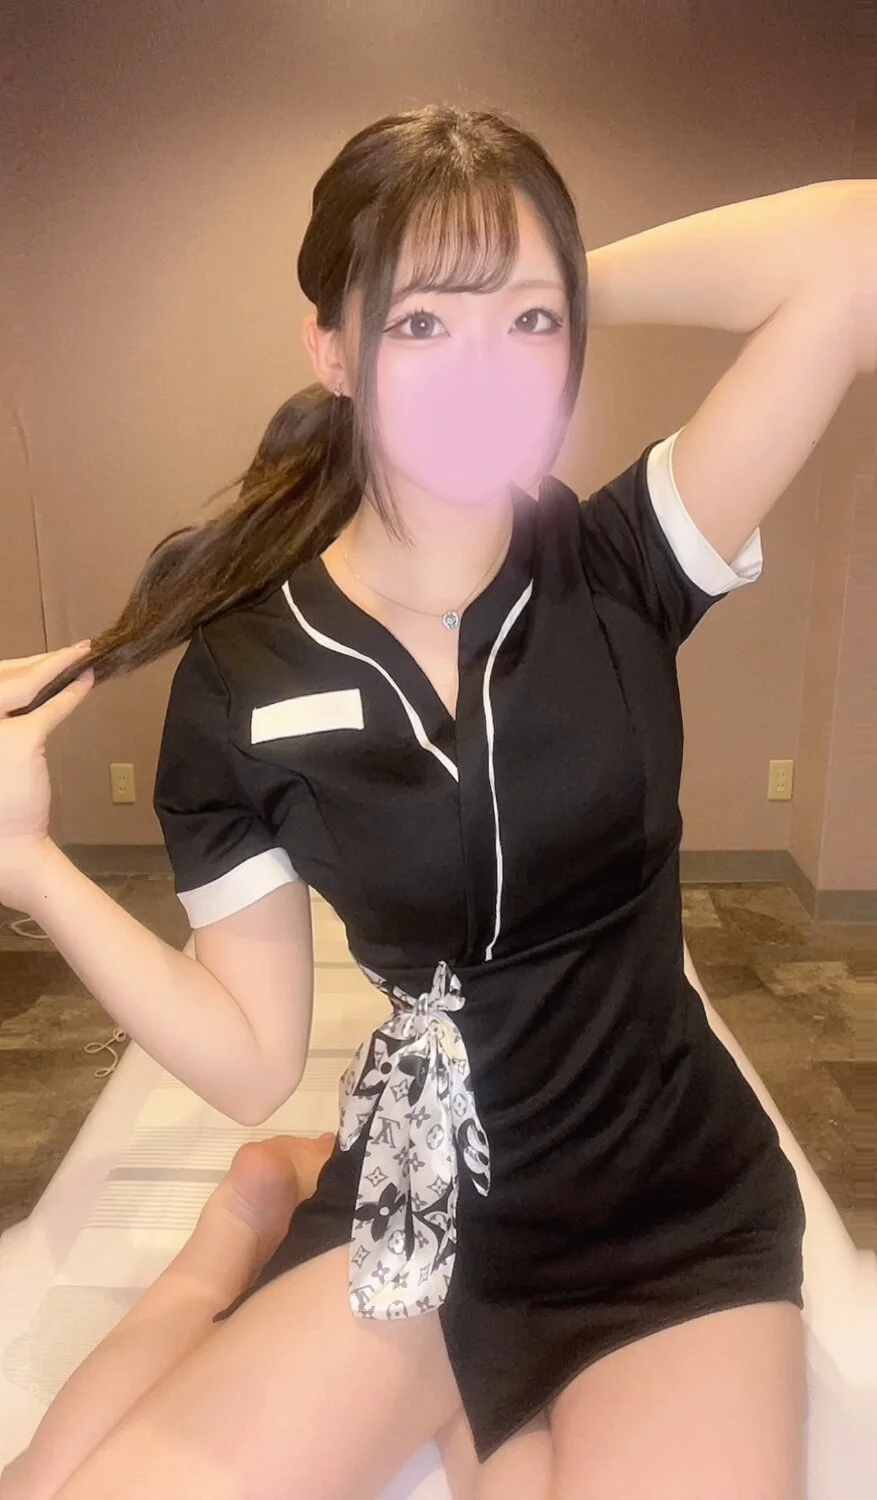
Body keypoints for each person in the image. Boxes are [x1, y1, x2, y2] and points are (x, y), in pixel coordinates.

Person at [0, 103, 875, 1500]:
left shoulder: (625, 562)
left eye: (530, 324)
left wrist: (541, 277)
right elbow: (249, 1056)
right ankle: (239, 1232)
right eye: (419, 324)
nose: (487, 370)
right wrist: (30, 864)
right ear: (331, 347)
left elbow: (857, 247)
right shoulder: (243, 673)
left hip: (671, 1214)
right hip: (426, 1203)